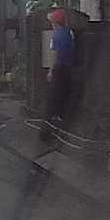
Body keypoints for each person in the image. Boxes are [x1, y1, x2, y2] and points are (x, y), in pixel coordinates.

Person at [43, 8, 75, 139]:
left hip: (59, 68)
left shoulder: (56, 35)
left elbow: (55, 55)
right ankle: (63, 120)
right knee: (64, 95)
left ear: (55, 22)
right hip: (69, 68)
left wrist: (51, 71)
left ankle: (49, 128)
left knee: (53, 97)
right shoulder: (68, 33)